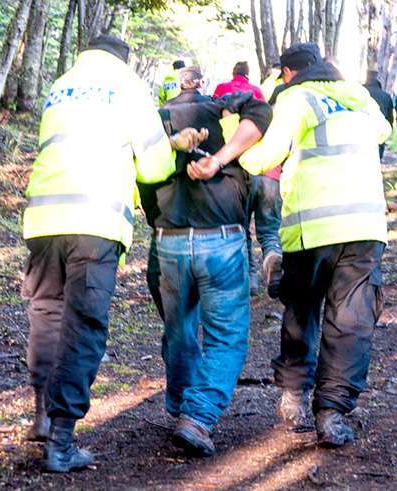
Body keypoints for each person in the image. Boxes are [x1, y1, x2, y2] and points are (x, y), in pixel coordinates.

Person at [188, 43, 390, 448]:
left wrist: (231, 131)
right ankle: (332, 413)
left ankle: (294, 398)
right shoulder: (363, 100)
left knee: (302, 310)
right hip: (365, 226)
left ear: (287, 74)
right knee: (351, 322)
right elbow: (386, 132)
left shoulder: (297, 98)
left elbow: (264, 157)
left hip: (313, 228)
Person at [22, 35, 205, 473]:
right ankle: (62, 442)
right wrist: (172, 146)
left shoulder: (61, 83)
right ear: (123, 59)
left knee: (46, 313)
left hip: (44, 219)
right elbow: (155, 165)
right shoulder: (128, 86)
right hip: (96, 222)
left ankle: (42, 417)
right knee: (84, 324)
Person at [138, 66, 272, 457]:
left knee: (179, 329)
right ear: (203, 85)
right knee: (226, 336)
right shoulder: (225, 115)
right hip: (222, 240)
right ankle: (196, 417)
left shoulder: (153, 124)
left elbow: (143, 180)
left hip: (169, 240)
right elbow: (263, 114)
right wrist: (222, 157)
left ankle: (182, 409)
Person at [213, 61, 283, 297]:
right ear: (248, 75)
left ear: (233, 73)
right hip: (270, 171)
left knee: (242, 228)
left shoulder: (221, 89)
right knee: (270, 230)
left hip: (243, 171)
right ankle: (272, 258)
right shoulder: (259, 93)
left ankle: (250, 279)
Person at [363, 69, 394, 160]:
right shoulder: (386, 96)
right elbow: (390, 118)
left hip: (362, 129)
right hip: (379, 131)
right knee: (377, 157)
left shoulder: (360, 92)